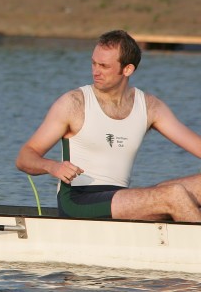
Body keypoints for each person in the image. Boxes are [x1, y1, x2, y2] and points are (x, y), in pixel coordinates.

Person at [16, 29, 201, 221]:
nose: (96, 72)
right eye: (94, 63)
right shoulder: (73, 104)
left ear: (127, 69)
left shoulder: (150, 107)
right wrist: (52, 167)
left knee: (177, 193)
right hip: (79, 201)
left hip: (121, 198)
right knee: (174, 195)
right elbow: (24, 157)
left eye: (104, 66)